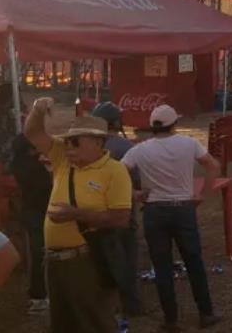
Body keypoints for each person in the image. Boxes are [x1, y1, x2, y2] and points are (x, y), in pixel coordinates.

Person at [24, 98, 133, 333]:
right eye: (67, 141)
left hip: (86, 260)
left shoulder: (114, 171)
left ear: (96, 142)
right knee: (63, 324)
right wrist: (37, 109)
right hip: (54, 262)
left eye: (75, 141)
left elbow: (121, 217)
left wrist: (74, 214)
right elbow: (32, 131)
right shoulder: (64, 159)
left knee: (95, 322)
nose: (69, 147)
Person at [121, 104, 222, 332]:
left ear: (153, 127)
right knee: (194, 262)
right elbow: (213, 166)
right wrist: (201, 196)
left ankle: (171, 320)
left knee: (162, 266)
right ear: (174, 124)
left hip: (154, 212)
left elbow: (117, 173)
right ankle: (205, 313)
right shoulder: (188, 143)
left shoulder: (140, 149)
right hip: (182, 209)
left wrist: (133, 194)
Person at [91, 101, 143, 317]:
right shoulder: (126, 147)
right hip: (123, 211)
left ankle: (103, 305)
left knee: (100, 260)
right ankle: (131, 305)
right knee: (128, 259)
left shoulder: (89, 146)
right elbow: (137, 182)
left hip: (96, 211)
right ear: (116, 122)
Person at [9, 134, 52, 314]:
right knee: (40, 252)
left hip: (28, 211)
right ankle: (39, 296)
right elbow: (49, 187)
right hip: (40, 212)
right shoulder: (35, 168)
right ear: (29, 148)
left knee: (36, 252)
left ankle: (38, 295)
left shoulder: (16, 164)